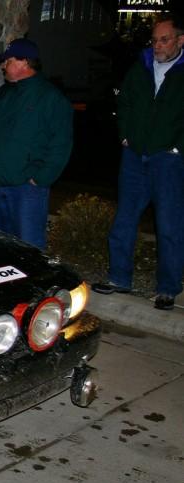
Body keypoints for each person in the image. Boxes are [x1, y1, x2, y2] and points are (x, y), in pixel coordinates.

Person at [92, 13, 184, 310]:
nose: (157, 45)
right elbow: (125, 102)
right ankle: (120, 277)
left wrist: (177, 148)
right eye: (155, 39)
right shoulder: (140, 68)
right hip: (135, 156)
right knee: (125, 219)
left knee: (169, 224)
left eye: (164, 39)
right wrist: (125, 135)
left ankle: (168, 288)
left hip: (167, 160)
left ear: (180, 40)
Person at [0, 38, 73, 250]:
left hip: (26, 189)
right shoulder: (2, 94)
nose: (3, 66)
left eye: (8, 61)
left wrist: (41, 178)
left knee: (28, 249)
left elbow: (61, 143)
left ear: (24, 62)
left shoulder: (50, 98)